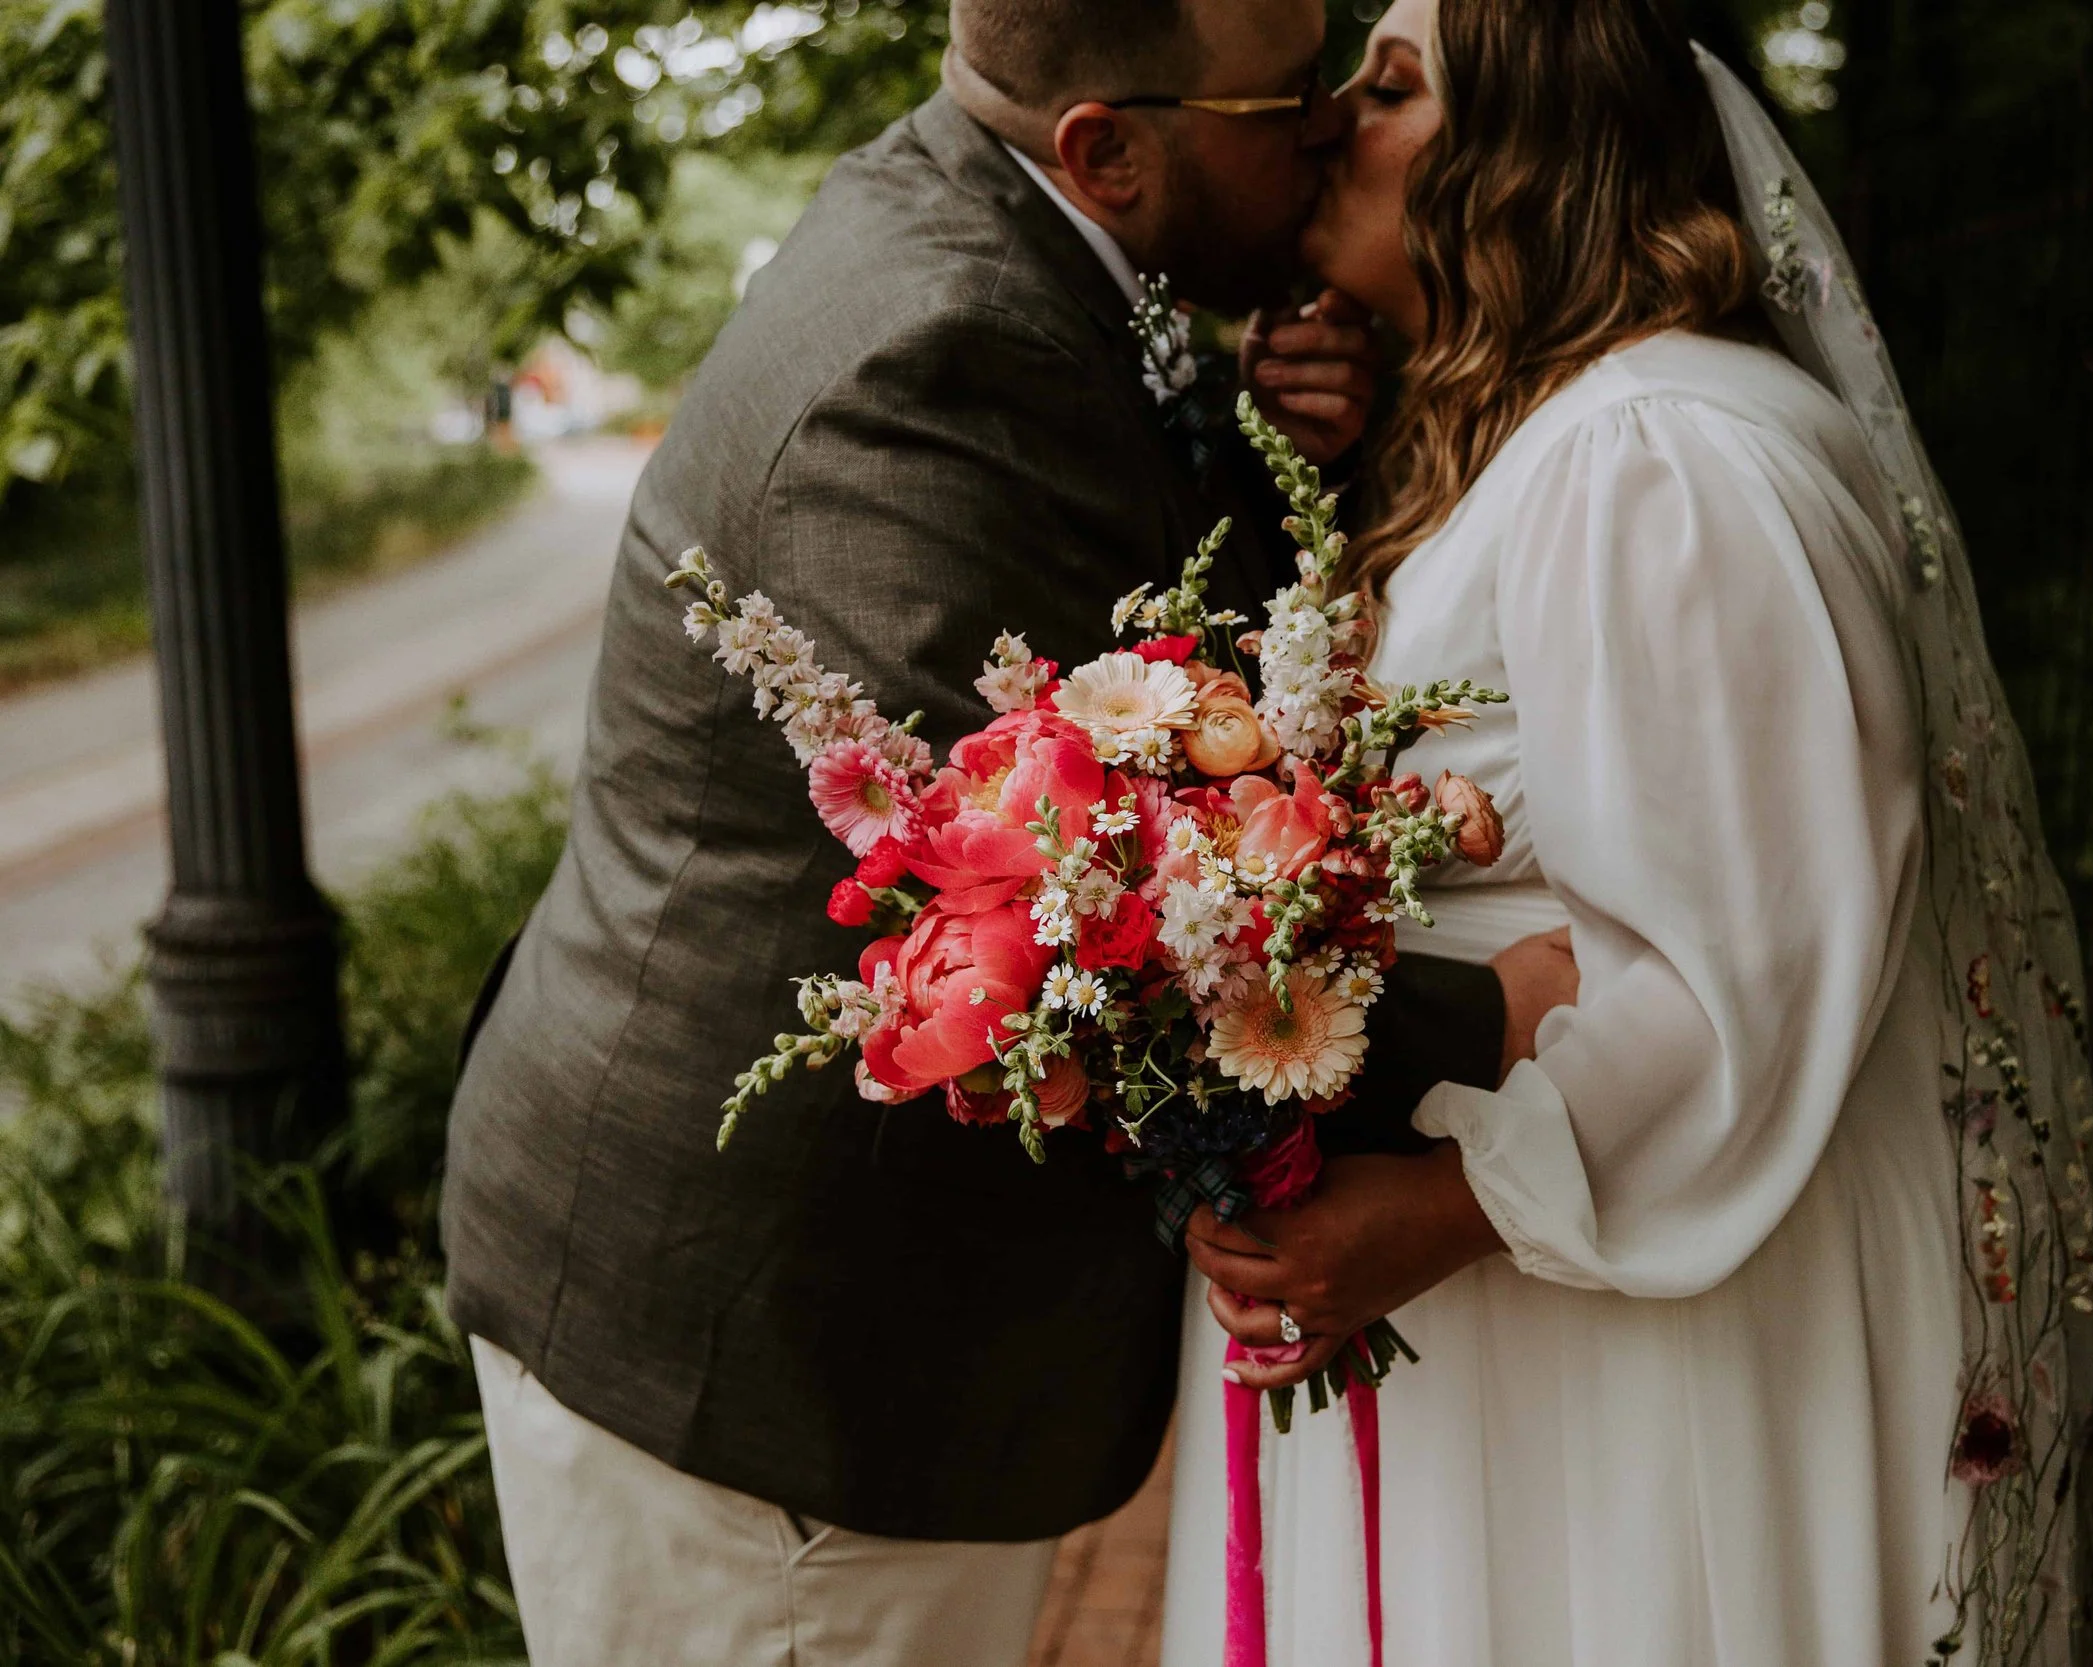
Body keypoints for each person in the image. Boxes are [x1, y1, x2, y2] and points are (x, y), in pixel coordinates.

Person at [437, 2, 1578, 1662]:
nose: (1335, 125)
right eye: (1292, 98)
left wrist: (1301, 456)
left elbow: (1147, 667)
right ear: (1106, 148)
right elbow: (1064, 900)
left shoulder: (1015, 241)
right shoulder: (940, 346)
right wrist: (1504, 1025)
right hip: (766, 1374)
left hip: (830, 1326)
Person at [1165, 2, 2093, 1663]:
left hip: (1662, 1306)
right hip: (1561, 1301)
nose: (1330, 118)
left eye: (1392, 86)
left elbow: (1741, 966)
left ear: (1533, 160)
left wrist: (1441, 1210)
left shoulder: (1662, 460)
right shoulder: (1557, 441)